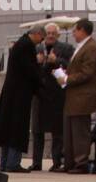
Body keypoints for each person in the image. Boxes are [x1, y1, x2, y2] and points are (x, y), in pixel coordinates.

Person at [0, 23, 46, 172]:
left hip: (11, 94)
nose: (41, 41)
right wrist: (41, 80)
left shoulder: (20, 44)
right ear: (37, 34)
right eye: (42, 37)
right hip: (20, 95)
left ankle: (5, 162)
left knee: (7, 129)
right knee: (16, 128)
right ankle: (12, 163)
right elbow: (30, 70)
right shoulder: (27, 46)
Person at [58, 18, 96, 174]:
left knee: (79, 132)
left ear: (83, 30)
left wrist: (67, 79)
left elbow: (87, 73)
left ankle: (81, 162)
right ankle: (69, 162)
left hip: (83, 97)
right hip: (73, 97)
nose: (73, 33)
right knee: (69, 131)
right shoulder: (81, 47)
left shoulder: (91, 48)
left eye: (75, 30)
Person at [29, 22, 73, 170]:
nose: (50, 35)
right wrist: (37, 62)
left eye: (54, 33)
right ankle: (36, 163)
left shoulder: (66, 48)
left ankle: (56, 162)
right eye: (48, 33)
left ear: (58, 35)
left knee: (57, 131)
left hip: (57, 95)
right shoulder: (36, 48)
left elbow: (71, 66)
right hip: (39, 94)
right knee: (37, 131)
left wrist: (57, 61)